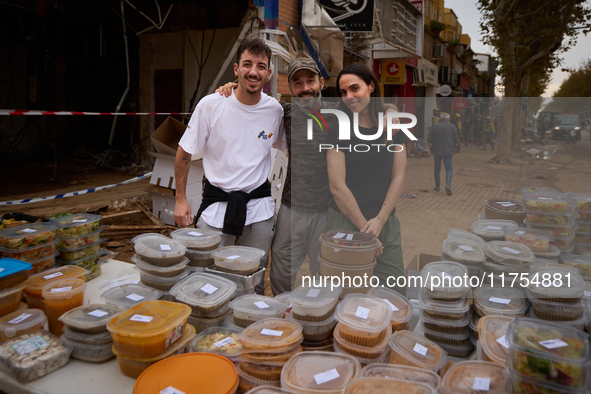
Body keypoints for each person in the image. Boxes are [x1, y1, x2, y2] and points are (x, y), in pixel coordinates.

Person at [215, 57, 338, 295]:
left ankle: (321, 319)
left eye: (310, 81)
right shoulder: (284, 112)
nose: (305, 88)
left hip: (327, 210)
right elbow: (252, 101)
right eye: (298, 83)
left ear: (321, 82)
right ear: (290, 88)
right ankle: (285, 312)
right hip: (292, 208)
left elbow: (369, 112)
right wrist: (229, 86)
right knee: (280, 269)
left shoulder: (338, 115)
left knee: (323, 272)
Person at [174, 38, 286, 295]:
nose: (253, 72)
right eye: (247, 64)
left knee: (253, 282)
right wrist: (180, 198)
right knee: (206, 281)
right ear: (236, 69)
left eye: (261, 66)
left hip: (259, 213)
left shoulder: (275, 110)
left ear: (268, 74)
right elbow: (184, 152)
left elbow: (291, 146)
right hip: (215, 212)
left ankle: (249, 330)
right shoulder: (211, 105)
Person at [326, 63, 409, 295]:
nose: (349, 97)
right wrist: (366, 229)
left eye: (355, 88)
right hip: (345, 223)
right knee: (347, 295)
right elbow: (337, 187)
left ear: (371, 86)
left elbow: (399, 175)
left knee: (393, 294)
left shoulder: (392, 127)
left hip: (385, 223)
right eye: (343, 92)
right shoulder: (338, 130)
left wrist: (380, 221)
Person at [428, 112, 458, 196]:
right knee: (449, 168)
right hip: (448, 150)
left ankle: (437, 186)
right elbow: (456, 139)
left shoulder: (435, 126)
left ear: (440, 118)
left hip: (437, 150)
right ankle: (447, 185)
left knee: (437, 168)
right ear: (448, 119)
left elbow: (430, 139)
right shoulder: (452, 126)